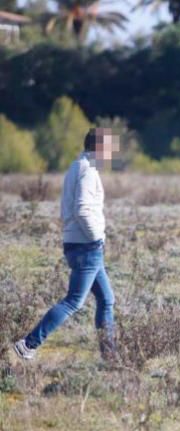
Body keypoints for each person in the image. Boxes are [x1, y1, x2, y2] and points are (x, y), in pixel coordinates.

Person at [14, 127, 119, 362]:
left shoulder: (77, 166)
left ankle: (111, 357)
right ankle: (28, 344)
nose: (112, 153)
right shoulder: (88, 171)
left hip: (81, 245)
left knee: (106, 299)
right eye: (110, 148)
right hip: (87, 247)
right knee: (73, 301)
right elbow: (82, 209)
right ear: (99, 147)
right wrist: (96, 238)